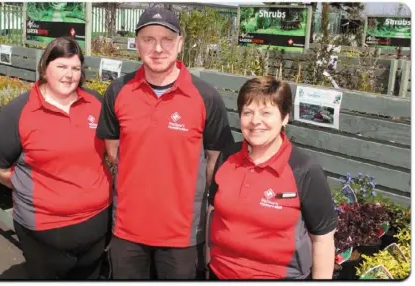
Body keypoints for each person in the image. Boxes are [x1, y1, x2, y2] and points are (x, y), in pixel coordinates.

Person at [96, 7, 234, 280]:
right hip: (127, 231)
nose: (158, 48)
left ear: (180, 44)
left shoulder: (205, 97)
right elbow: (113, 152)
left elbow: (215, 160)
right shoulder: (118, 91)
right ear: (137, 44)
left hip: (181, 235)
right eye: (148, 39)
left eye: (167, 40)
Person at [0, 36, 111, 280]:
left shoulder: (95, 102)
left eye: (75, 68)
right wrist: (27, 187)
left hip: (96, 226)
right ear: (44, 67)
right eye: (61, 66)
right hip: (44, 233)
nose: (69, 75)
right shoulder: (19, 112)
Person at [206, 76, 337, 280]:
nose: (255, 121)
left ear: (285, 117)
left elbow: (323, 240)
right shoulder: (226, 157)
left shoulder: (305, 171)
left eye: (266, 112)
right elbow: (213, 212)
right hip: (220, 273)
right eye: (247, 112)